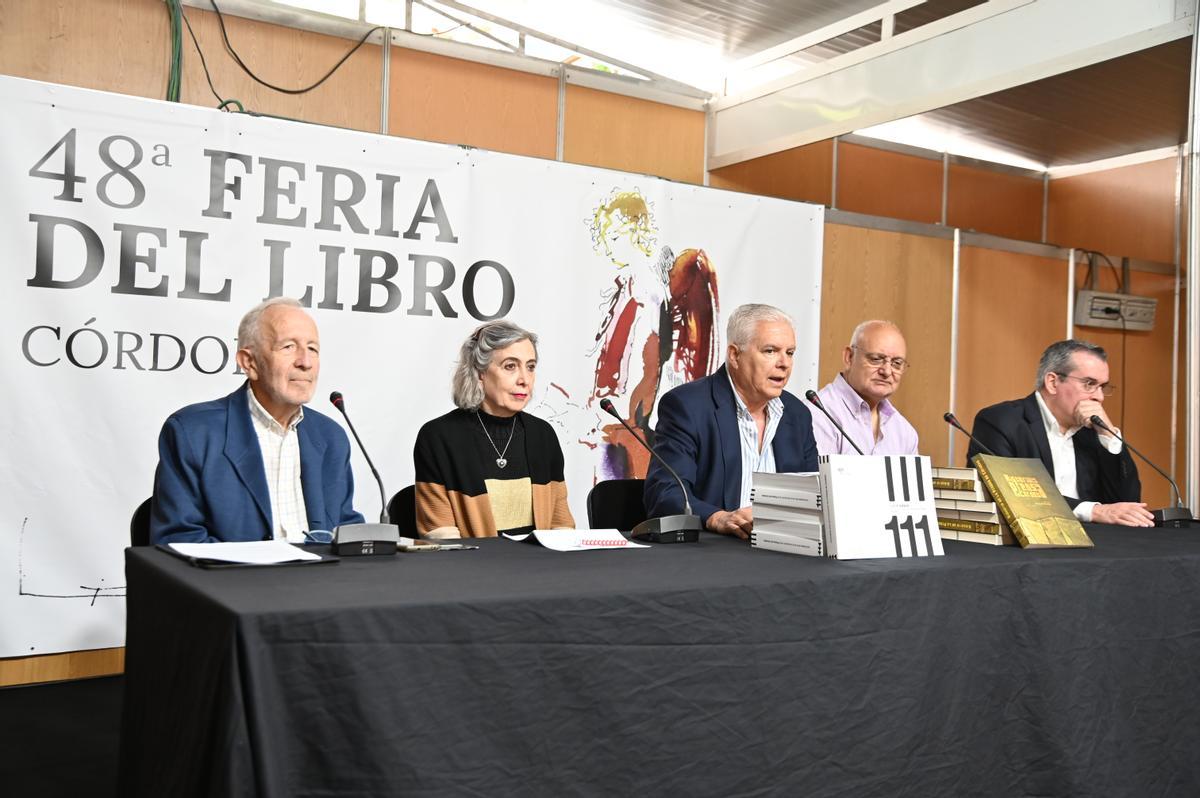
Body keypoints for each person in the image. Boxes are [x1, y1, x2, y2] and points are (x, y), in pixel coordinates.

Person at [150, 297, 364, 544]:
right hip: (236, 571)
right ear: (249, 362)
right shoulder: (192, 433)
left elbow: (344, 530)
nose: (305, 362)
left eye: (313, 349)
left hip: (322, 570)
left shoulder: (330, 436)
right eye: (288, 347)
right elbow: (178, 540)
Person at [644, 303, 819, 539]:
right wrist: (717, 518)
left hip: (783, 547)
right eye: (770, 351)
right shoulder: (688, 406)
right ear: (735, 355)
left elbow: (814, 497)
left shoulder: (796, 414)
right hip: (714, 551)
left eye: (790, 353)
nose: (784, 363)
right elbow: (666, 493)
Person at [414, 321, 574, 538]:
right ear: (480, 372)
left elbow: (561, 526)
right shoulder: (439, 437)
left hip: (541, 560)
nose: (524, 380)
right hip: (472, 560)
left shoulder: (543, 435)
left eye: (530, 367)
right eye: (510, 366)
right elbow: (440, 534)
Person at [967, 339, 1149, 526]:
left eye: (1102, 387)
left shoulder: (1094, 431)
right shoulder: (1001, 421)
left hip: (1098, 540)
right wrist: (1093, 511)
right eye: (1089, 384)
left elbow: (1128, 502)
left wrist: (1108, 435)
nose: (1099, 397)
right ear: (1053, 382)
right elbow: (1010, 495)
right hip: (1028, 538)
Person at [812, 320, 919, 455]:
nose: (887, 371)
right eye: (876, 359)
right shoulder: (818, 414)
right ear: (849, 357)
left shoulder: (905, 432)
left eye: (897, 363)